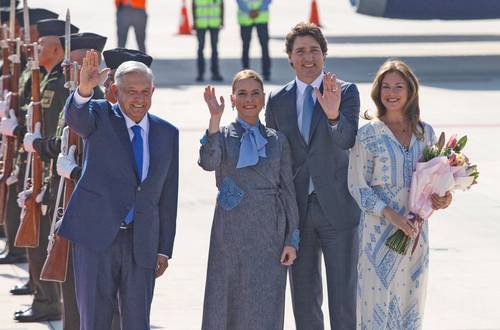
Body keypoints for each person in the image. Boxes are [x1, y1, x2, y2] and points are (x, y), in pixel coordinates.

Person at [59, 50, 178, 329]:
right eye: (131, 92)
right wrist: (85, 90)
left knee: (138, 322)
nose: (139, 99)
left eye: (145, 92)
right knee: (96, 320)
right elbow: (77, 119)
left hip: (142, 243)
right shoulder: (100, 116)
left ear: (153, 91)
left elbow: (168, 195)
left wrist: (164, 248)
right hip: (97, 239)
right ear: (114, 91)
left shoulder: (167, 132)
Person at [265, 22, 360, 329]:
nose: (308, 58)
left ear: (324, 55)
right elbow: (274, 159)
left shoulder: (345, 92)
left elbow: (346, 140)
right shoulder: (278, 100)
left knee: (343, 301)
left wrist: (333, 115)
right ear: (290, 58)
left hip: (338, 211)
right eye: (300, 51)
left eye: (314, 51)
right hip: (298, 215)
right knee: (304, 302)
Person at [348, 59, 452, 328]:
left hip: (415, 235)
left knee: (411, 304)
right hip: (377, 235)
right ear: (377, 91)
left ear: (410, 91)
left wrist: (444, 199)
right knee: (376, 309)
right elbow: (357, 185)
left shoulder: (424, 132)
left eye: (398, 86)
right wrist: (391, 215)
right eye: (386, 87)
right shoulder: (368, 134)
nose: (391, 93)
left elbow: (437, 182)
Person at [199, 69, 299, 329]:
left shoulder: (278, 141)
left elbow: (288, 191)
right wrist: (213, 119)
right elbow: (208, 162)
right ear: (232, 99)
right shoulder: (220, 135)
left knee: (265, 305)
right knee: (225, 301)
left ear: (264, 98)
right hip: (230, 231)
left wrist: (292, 239)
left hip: (270, 233)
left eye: (255, 93)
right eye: (242, 94)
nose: (249, 99)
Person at [236, 0, 271, 81]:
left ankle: (266, 72)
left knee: (264, 46)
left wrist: (257, 10)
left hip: (260, 17)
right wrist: (249, 11)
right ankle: (245, 73)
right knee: (246, 46)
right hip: (246, 17)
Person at [192, 0, 224, 82]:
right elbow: (194, 5)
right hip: (201, 23)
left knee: (214, 49)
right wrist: (194, 21)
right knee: (201, 48)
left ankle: (215, 73)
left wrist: (222, 19)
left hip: (214, 22)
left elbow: (221, 4)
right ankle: (200, 74)